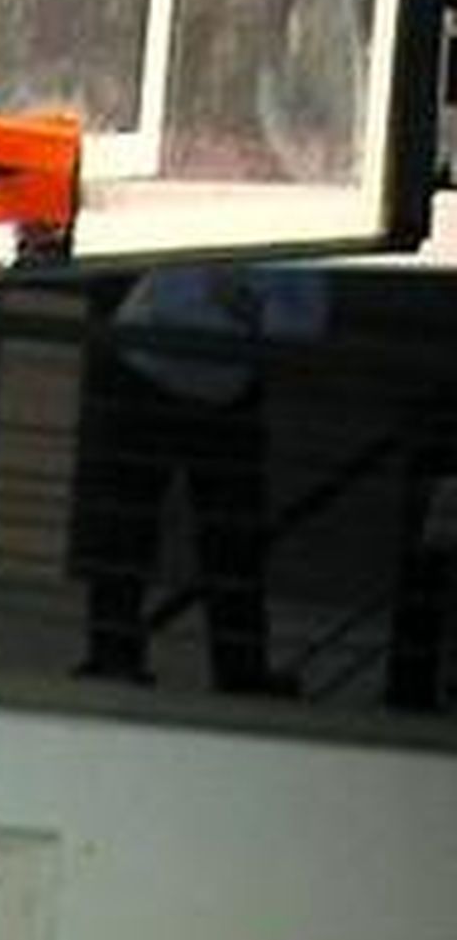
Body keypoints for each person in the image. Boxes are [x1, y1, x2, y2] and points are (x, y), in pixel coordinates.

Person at [70, 265, 328, 697]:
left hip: (224, 393)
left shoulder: (308, 247)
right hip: (147, 374)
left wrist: (241, 307)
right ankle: (114, 657)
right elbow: (176, 306)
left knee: (234, 537)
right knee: (127, 526)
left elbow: (305, 326)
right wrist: (255, 316)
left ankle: (240, 670)